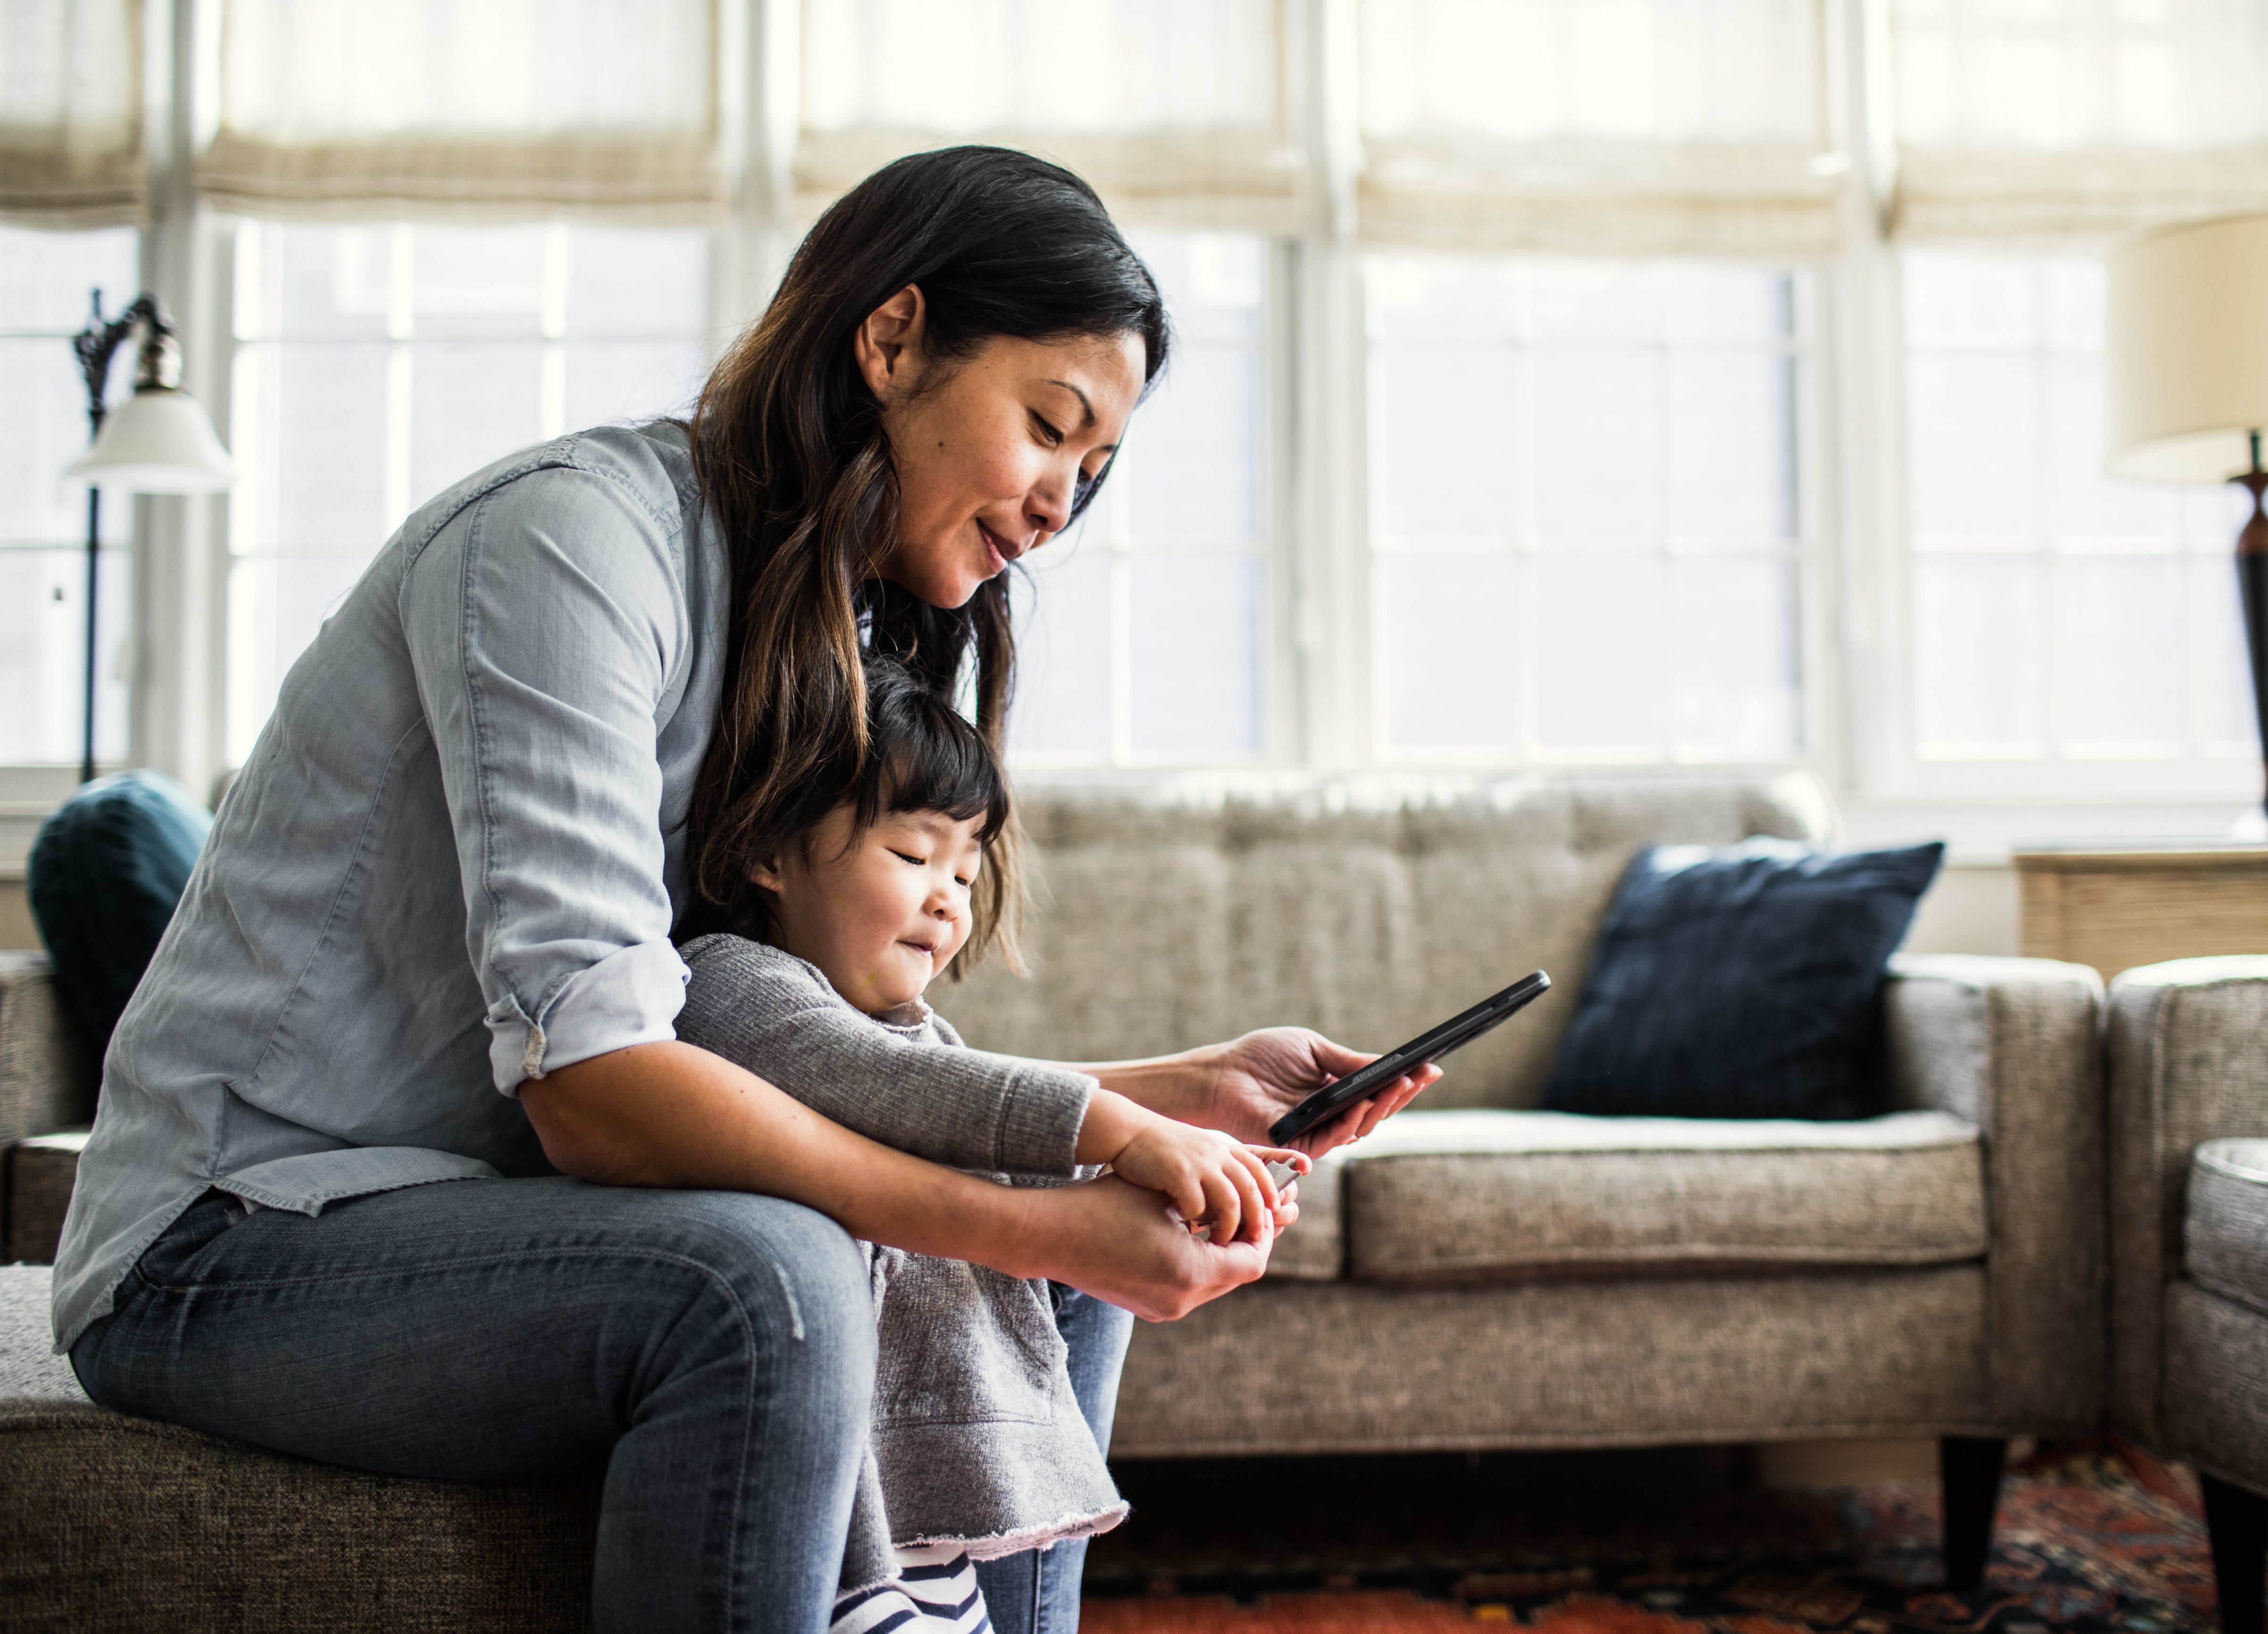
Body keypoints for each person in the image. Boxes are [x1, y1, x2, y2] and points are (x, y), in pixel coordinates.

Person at [50, 145, 1430, 1634]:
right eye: (1050, 426)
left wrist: (1173, 1099)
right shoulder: (572, 541)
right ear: (892, 339)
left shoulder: (819, 621)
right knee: (762, 1281)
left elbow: (777, 1043)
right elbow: (599, 1084)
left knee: (1070, 1198)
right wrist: (1029, 1225)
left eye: (1092, 473)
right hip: (231, 1236)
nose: (1055, 508)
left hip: (482, 1201)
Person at [674, 652, 1311, 1632]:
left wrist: (1209, 1172)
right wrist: (1128, 1128)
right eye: (912, 855)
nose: (947, 899)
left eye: (965, 871)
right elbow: (902, 1089)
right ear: (770, 851)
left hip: (929, 1522)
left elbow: (970, 1114)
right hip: (857, 1538)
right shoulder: (726, 980)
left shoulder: (921, 1030)